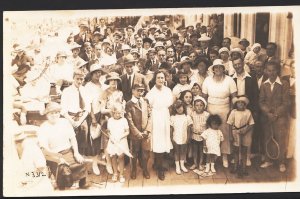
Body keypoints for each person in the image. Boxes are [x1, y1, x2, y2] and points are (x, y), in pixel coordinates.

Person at [38, 102, 90, 189]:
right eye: (52, 113)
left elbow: (73, 139)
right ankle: (63, 183)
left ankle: (82, 183)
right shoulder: (43, 127)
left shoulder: (65, 122)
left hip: (68, 152)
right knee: (65, 172)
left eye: (56, 112)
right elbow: (44, 150)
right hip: (53, 156)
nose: (54, 115)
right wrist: (58, 159)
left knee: (81, 162)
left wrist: (76, 153)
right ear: (47, 114)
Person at [202, 59, 237, 168]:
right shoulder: (207, 80)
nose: (218, 69)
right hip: (211, 109)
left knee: (225, 134)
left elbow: (234, 97)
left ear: (223, 68)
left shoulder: (230, 80)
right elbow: (204, 97)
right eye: (216, 67)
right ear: (213, 69)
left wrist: (231, 111)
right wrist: (206, 111)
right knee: (212, 134)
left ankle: (225, 156)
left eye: (220, 67)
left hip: (225, 109)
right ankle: (212, 157)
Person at [259, 61, 289, 172]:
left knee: (280, 138)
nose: (271, 73)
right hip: (268, 117)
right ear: (266, 71)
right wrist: (268, 113)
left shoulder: (284, 83)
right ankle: (268, 160)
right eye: (269, 70)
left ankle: (281, 162)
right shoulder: (264, 84)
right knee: (267, 137)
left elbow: (286, 102)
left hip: (280, 117)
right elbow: (261, 102)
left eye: (274, 70)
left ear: (277, 70)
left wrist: (276, 114)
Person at [145, 70, 173, 180]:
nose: (161, 80)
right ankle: (160, 169)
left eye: (162, 78)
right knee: (158, 142)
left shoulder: (167, 90)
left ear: (165, 79)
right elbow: (147, 104)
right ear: (155, 79)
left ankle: (158, 164)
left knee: (164, 141)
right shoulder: (152, 92)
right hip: (156, 118)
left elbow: (169, 103)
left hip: (165, 116)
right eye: (158, 78)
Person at [60, 69, 90, 155]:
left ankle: (82, 157)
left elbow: (88, 108)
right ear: (73, 78)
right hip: (70, 118)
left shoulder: (85, 90)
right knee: (70, 139)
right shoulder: (67, 91)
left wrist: (80, 121)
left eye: (81, 79)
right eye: (77, 79)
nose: (79, 81)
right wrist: (72, 121)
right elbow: (63, 110)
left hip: (81, 117)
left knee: (83, 136)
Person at [125, 83, 152, 179]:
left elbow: (150, 116)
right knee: (134, 153)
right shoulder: (129, 104)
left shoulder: (145, 101)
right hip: (135, 135)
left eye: (142, 90)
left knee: (145, 153)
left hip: (145, 133)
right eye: (138, 90)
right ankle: (133, 170)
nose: (140, 92)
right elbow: (129, 121)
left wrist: (147, 131)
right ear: (133, 91)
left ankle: (145, 169)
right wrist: (137, 133)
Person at [84, 64, 105, 176]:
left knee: (103, 139)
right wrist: (92, 118)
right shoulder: (88, 86)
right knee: (95, 140)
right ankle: (94, 163)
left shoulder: (102, 84)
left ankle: (102, 160)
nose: (98, 74)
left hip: (103, 114)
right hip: (94, 115)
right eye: (96, 72)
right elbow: (88, 104)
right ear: (91, 74)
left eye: (99, 72)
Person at [227, 96, 255, 177]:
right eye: (238, 103)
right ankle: (235, 166)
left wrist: (245, 130)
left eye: (242, 103)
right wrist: (230, 135)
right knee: (236, 150)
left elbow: (251, 123)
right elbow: (229, 123)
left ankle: (243, 168)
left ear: (245, 104)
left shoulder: (248, 112)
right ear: (236, 104)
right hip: (235, 132)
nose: (240, 104)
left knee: (244, 150)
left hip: (245, 132)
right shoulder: (233, 112)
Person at [106, 103, 129, 183]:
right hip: (113, 142)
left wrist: (120, 137)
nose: (118, 115)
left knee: (121, 157)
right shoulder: (110, 120)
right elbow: (108, 132)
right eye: (117, 113)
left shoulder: (124, 120)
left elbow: (127, 132)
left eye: (120, 113)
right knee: (113, 157)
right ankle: (115, 173)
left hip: (121, 141)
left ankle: (121, 174)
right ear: (113, 112)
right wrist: (111, 137)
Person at [170, 100, 193, 175]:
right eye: (177, 108)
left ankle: (182, 165)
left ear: (184, 107)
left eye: (181, 107)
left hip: (184, 137)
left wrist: (189, 137)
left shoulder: (187, 117)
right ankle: (177, 166)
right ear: (175, 109)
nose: (179, 109)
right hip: (176, 137)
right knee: (177, 151)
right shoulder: (173, 117)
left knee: (183, 151)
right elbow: (171, 129)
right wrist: (171, 138)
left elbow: (189, 128)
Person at [190, 96, 210, 171]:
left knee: (202, 150)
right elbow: (191, 124)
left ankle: (200, 163)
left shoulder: (207, 115)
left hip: (203, 136)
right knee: (195, 150)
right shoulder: (192, 114)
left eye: (201, 105)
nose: (199, 107)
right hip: (194, 135)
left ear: (204, 106)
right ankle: (195, 163)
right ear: (194, 106)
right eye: (197, 105)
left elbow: (208, 126)